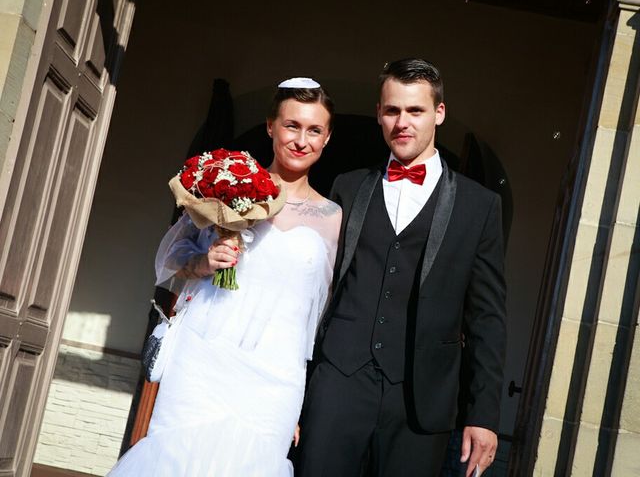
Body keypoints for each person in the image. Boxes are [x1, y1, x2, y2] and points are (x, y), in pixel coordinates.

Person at [108, 77, 341, 476]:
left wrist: (301, 398)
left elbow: (321, 312)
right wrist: (206, 261)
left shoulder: (335, 218)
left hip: (277, 373)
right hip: (205, 357)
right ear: (271, 126)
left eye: (314, 130)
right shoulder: (227, 186)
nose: (302, 140)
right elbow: (170, 258)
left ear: (327, 138)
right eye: (292, 125)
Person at [295, 58, 507, 477]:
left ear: (439, 113)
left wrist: (483, 414)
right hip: (337, 384)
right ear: (379, 113)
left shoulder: (480, 206)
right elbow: (314, 286)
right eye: (392, 110)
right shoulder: (348, 186)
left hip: (422, 400)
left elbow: (487, 317)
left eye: (415, 110)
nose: (402, 122)